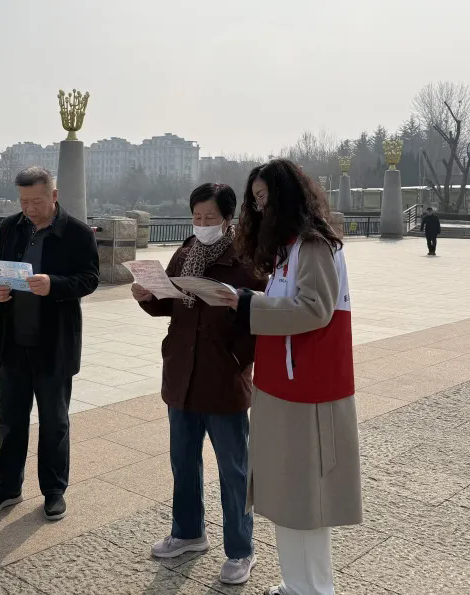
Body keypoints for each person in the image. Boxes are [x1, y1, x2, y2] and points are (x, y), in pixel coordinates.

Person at [215, 159, 362, 595]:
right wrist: (248, 300)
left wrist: (247, 303)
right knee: (286, 496)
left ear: (286, 197)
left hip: (309, 390)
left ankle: (315, 588)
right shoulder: (289, 249)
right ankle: (296, 583)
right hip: (283, 385)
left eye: (264, 198)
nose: (259, 208)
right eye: (255, 201)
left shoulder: (314, 244)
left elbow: (315, 308)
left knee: (307, 501)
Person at [132, 183, 266, 585]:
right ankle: (188, 532)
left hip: (223, 379)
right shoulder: (185, 252)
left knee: (233, 470)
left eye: (210, 217)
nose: (202, 224)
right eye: (196, 217)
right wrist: (147, 295)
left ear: (227, 218)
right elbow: (169, 304)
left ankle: (241, 550)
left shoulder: (245, 258)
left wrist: (237, 359)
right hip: (181, 376)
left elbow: (262, 317)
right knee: (183, 462)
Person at [0, 166, 99, 521]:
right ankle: (7, 487)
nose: (29, 208)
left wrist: (54, 284)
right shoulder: (10, 227)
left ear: (53, 196)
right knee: (11, 420)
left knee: (54, 422)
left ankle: (54, 490)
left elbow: (89, 278)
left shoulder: (76, 232)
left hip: (53, 344)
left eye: (37, 201)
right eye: (24, 201)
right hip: (12, 341)